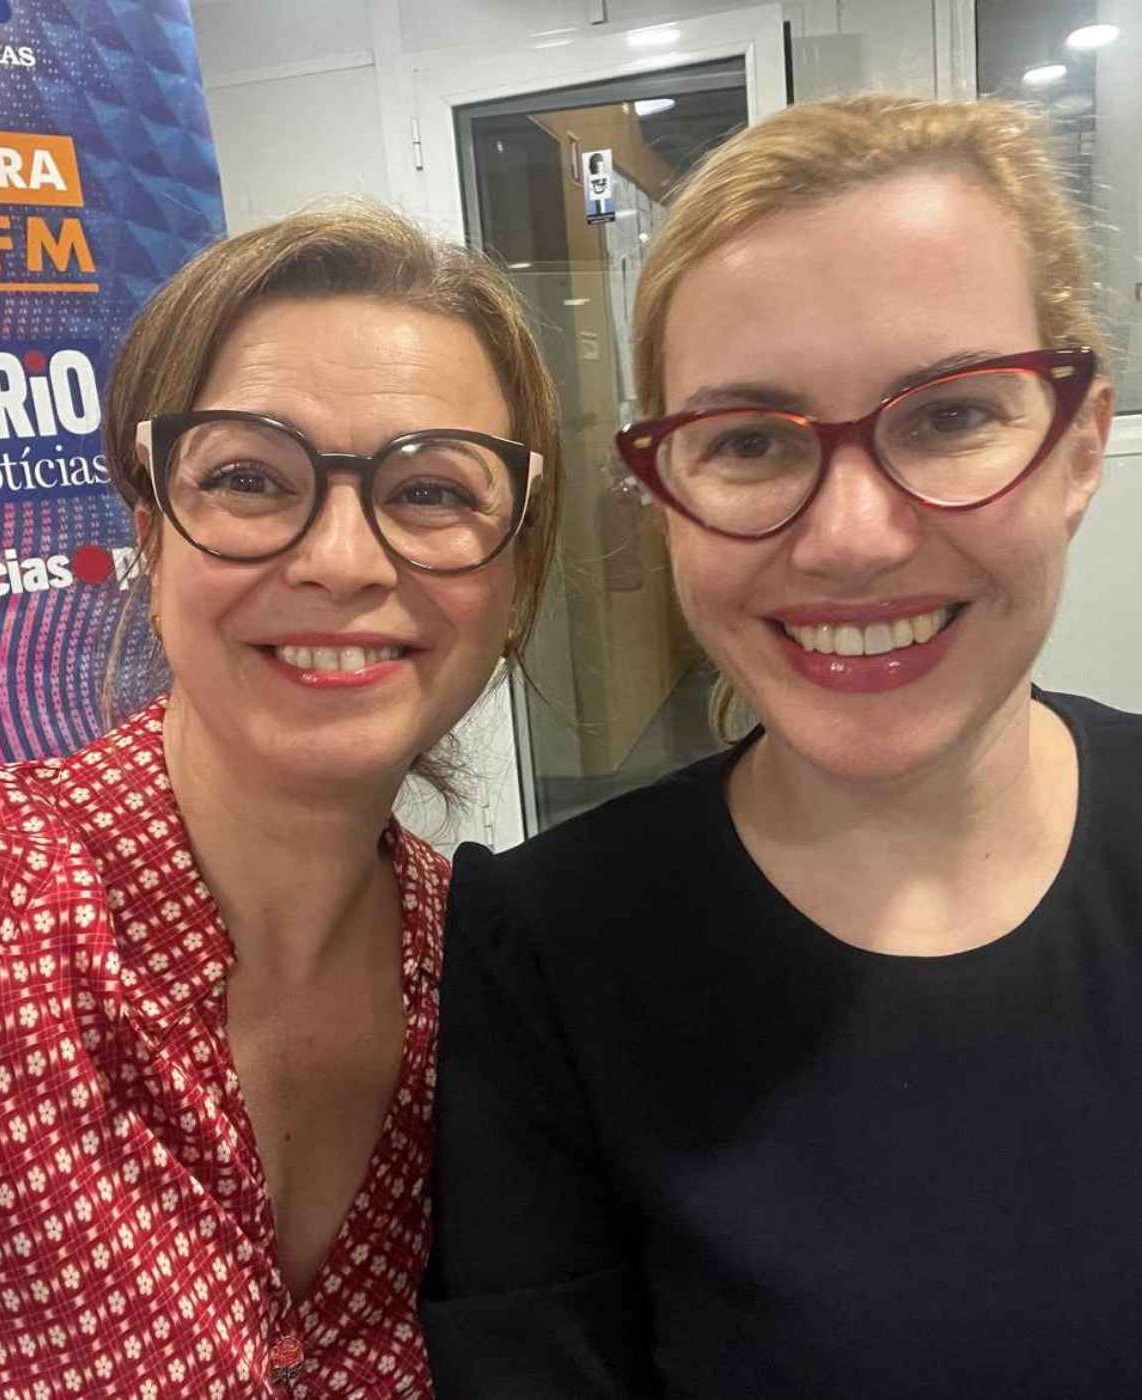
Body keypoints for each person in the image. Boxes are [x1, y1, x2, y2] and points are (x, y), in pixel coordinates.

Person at [0, 202, 560, 1399]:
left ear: (513, 571)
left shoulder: (487, 981)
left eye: (431, 491)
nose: (341, 559)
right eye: (247, 477)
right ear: (151, 537)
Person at [422, 94, 1142, 1399]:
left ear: (1078, 446)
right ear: (662, 493)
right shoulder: (548, 954)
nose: (852, 538)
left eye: (948, 417)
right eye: (749, 442)